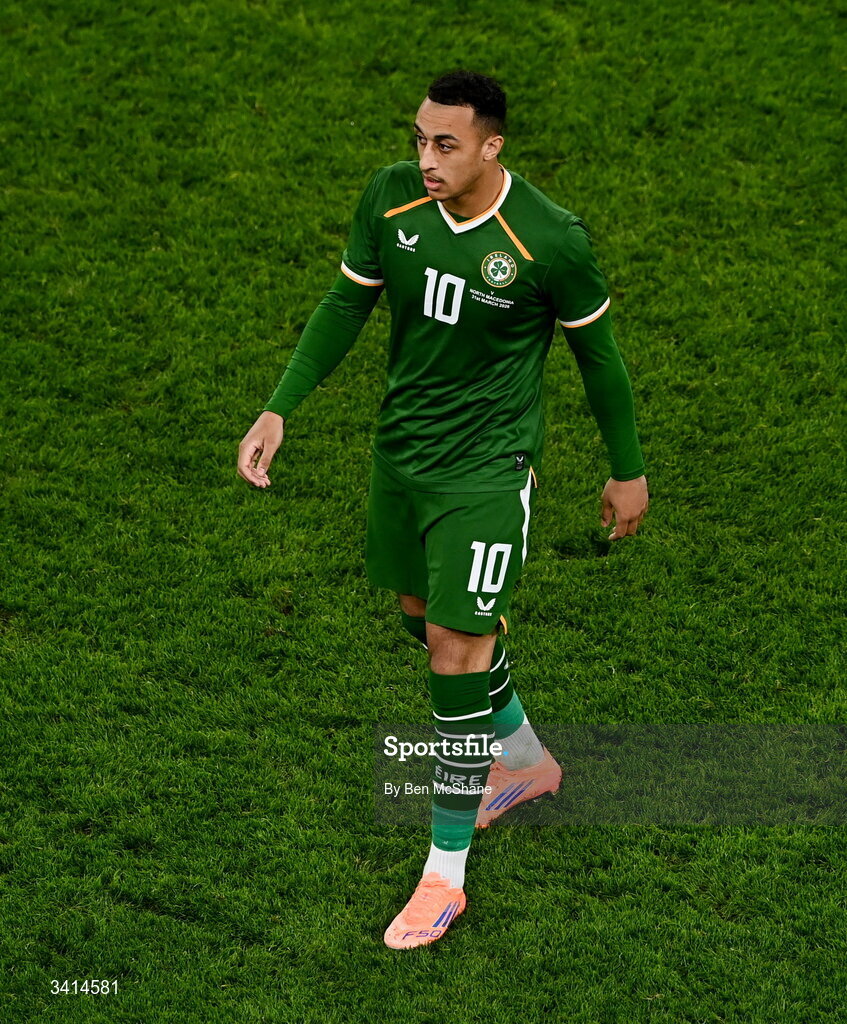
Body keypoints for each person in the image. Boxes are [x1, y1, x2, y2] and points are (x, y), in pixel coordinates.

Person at [237, 70, 648, 949]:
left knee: (457, 659)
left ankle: (443, 876)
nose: (424, 158)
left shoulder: (549, 240)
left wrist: (627, 470)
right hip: (403, 459)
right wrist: (281, 405)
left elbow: (599, 360)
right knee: (423, 628)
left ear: (491, 147)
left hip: (487, 475)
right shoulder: (391, 199)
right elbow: (348, 299)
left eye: (445, 144)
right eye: (419, 139)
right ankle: (525, 764)